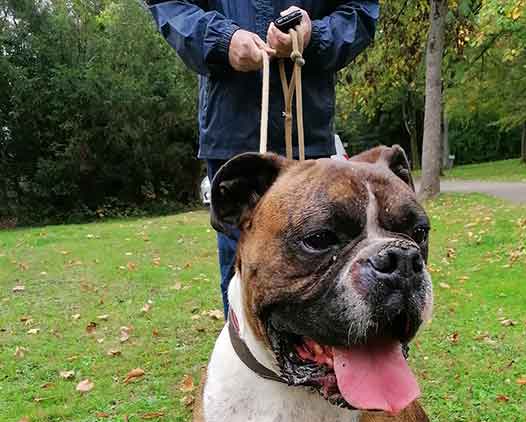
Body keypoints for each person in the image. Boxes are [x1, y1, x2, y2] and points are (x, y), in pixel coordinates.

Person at [146, 1, 379, 315]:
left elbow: (360, 12)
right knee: (241, 268)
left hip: (307, 135)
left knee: (322, 261)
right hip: (235, 138)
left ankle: (317, 359)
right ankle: (246, 361)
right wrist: (220, 40)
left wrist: (315, 35)